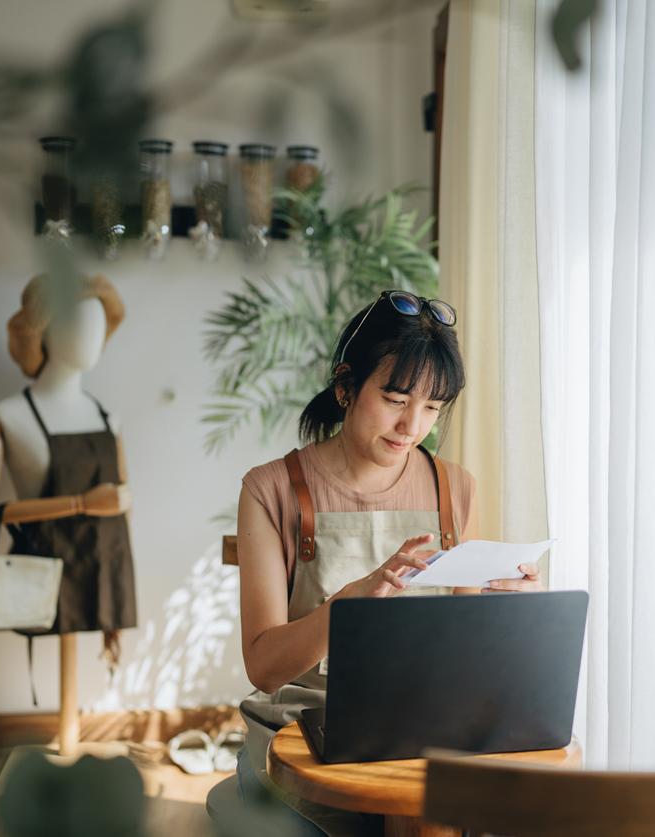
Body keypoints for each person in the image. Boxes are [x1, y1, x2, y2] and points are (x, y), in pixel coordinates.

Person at [206, 290, 542, 836]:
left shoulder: (451, 486)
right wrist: (349, 605)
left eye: (432, 408)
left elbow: (463, 650)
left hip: (421, 727)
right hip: (304, 733)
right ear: (344, 386)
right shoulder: (271, 489)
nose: (413, 426)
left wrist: (511, 611)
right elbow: (264, 668)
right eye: (395, 399)